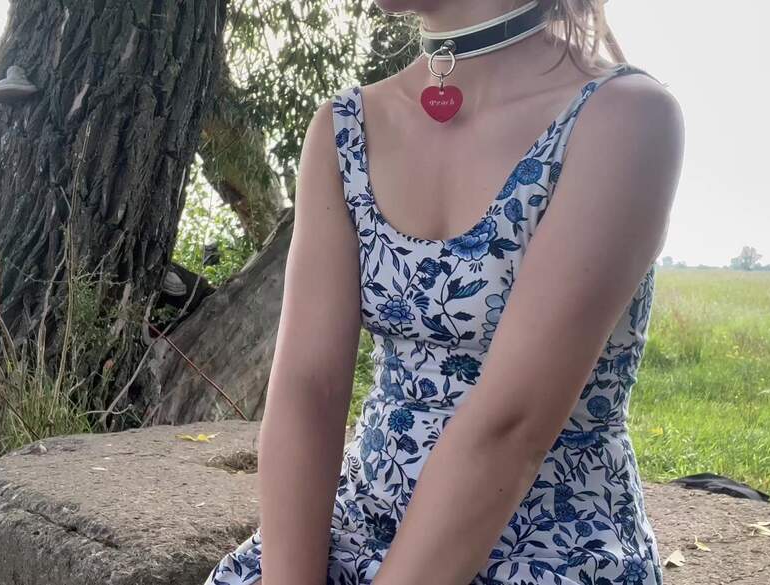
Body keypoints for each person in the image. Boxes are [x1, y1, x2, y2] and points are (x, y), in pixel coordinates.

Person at [203, 1, 683, 584]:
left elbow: (512, 426)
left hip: (552, 552)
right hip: (358, 530)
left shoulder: (625, 118)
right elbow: (309, 389)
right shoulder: (344, 129)